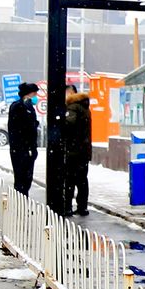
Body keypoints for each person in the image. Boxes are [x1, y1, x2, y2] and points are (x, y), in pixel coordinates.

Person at [58, 86, 91, 216]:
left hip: (73, 150)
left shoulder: (72, 107)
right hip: (83, 150)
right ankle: (82, 206)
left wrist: (60, 122)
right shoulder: (85, 107)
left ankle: (67, 207)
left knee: (70, 180)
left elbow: (69, 125)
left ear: (70, 93)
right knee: (82, 180)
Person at [5, 84, 39, 193]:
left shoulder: (29, 107)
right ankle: (21, 205)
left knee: (27, 179)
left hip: (27, 148)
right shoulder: (18, 106)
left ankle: (24, 203)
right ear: (28, 95)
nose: (36, 97)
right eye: (34, 94)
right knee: (21, 179)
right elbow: (24, 127)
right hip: (20, 149)